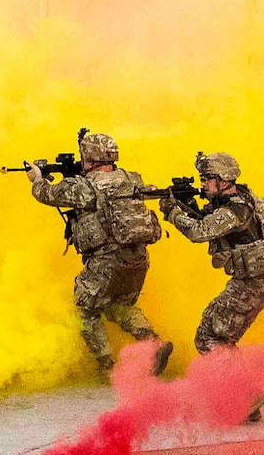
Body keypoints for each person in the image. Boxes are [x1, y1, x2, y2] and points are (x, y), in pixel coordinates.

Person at [26, 132, 173, 380]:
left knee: (85, 308)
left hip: (106, 260)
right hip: (137, 258)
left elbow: (47, 195)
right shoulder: (131, 179)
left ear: (89, 157)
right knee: (118, 305)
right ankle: (153, 343)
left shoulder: (84, 187)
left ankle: (107, 366)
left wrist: (37, 179)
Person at [159, 152, 264, 422]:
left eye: (208, 179)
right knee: (218, 337)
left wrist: (173, 212)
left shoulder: (235, 210)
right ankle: (247, 402)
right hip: (251, 282)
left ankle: (247, 397)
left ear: (224, 180)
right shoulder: (241, 198)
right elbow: (210, 220)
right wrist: (187, 205)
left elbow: (200, 232)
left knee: (210, 338)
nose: (204, 184)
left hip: (251, 285)